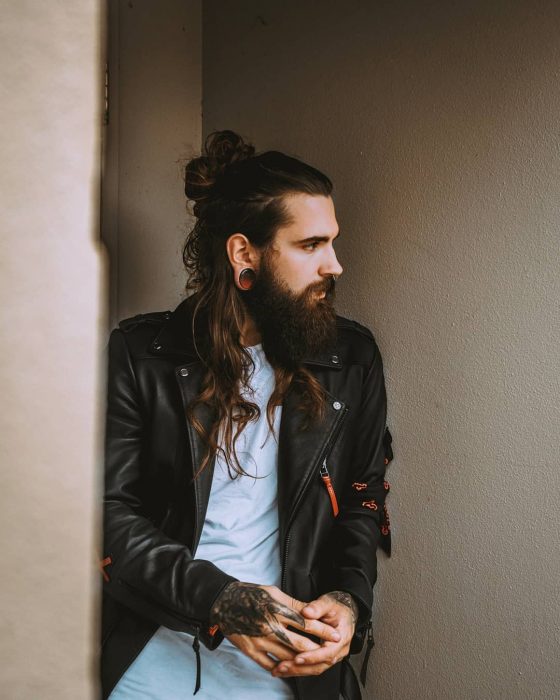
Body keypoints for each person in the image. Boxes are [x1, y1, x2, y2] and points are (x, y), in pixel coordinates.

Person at [100, 130, 393, 700]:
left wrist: (348, 599)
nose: (335, 264)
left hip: (288, 672)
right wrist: (221, 600)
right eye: (310, 245)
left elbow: (363, 495)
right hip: (153, 660)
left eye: (332, 242)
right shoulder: (142, 357)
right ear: (244, 254)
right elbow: (109, 511)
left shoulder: (350, 359)